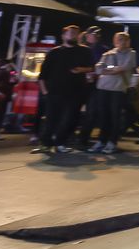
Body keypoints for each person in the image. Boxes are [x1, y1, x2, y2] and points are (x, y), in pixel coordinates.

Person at [31, 25, 94, 154]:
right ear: (63, 36)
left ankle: (60, 143)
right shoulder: (54, 52)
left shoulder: (85, 51)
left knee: (68, 119)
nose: (73, 35)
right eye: (70, 33)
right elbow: (43, 74)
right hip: (54, 92)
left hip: (75, 92)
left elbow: (92, 68)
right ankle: (45, 144)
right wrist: (45, 92)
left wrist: (81, 70)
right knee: (50, 119)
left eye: (76, 33)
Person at [88, 32, 137, 154]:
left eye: (125, 40)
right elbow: (98, 68)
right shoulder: (107, 54)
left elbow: (125, 67)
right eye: (120, 39)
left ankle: (112, 142)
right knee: (103, 115)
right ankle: (101, 140)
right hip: (103, 87)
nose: (123, 42)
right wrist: (113, 70)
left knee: (115, 116)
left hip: (118, 88)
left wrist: (108, 70)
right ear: (115, 41)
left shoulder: (131, 54)